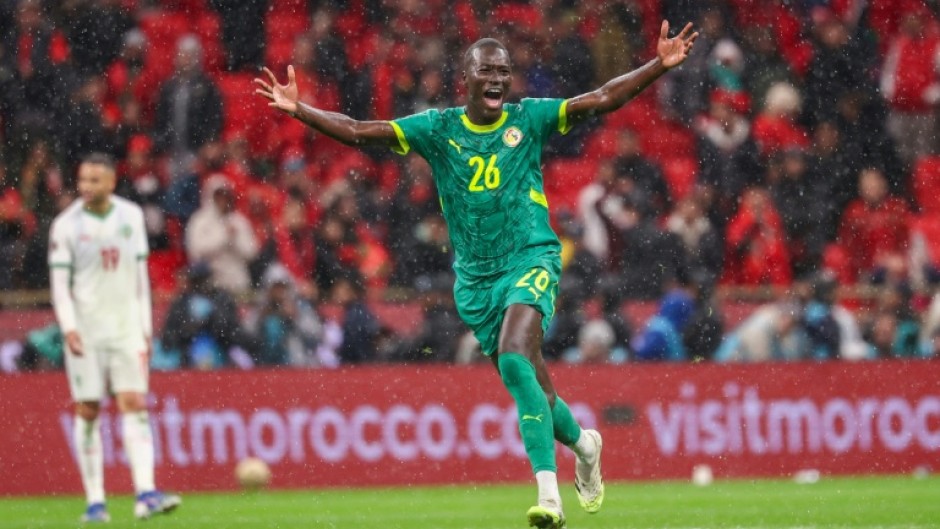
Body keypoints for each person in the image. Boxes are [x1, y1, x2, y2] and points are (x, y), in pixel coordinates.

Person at [255, 21, 697, 529]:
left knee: (513, 357)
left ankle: (549, 496)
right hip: (476, 283)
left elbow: (598, 99)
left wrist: (658, 65)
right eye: (486, 69)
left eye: (504, 71)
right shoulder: (438, 129)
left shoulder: (527, 119)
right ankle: (584, 443)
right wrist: (299, 109)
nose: (496, 78)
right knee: (535, 386)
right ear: (465, 76)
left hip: (530, 258)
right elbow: (360, 131)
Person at [48, 153, 180, 522]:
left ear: (111, 181)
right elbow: (60, 286)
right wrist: (69, 327)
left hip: (125, 329)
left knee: (134, 403)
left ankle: (145, 494)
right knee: (88, 409)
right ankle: (95, 502)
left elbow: (140, 277)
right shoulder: (65, 225)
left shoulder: (131, 216)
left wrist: (145, 328)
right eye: (82, 180)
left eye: (93, 180)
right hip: (86, 331)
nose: (85, 187)